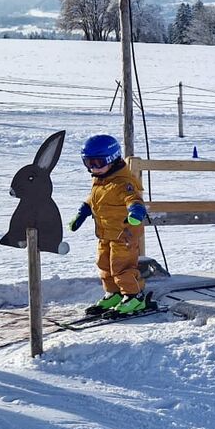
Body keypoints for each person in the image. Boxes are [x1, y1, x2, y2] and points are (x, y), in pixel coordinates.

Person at [68, 133, 151, 314]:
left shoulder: (124, 182)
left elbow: (133, 199)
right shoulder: (101, 180)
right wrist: (82, 213)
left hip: (124, 234)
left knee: (121, 266)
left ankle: (134, 296)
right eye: (88, 163)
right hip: (105, 233)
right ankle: (113, 293)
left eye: (97, 163)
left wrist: (136, 211)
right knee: (104, 264)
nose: (93, 169)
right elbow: (95, 199)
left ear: (112, 158)